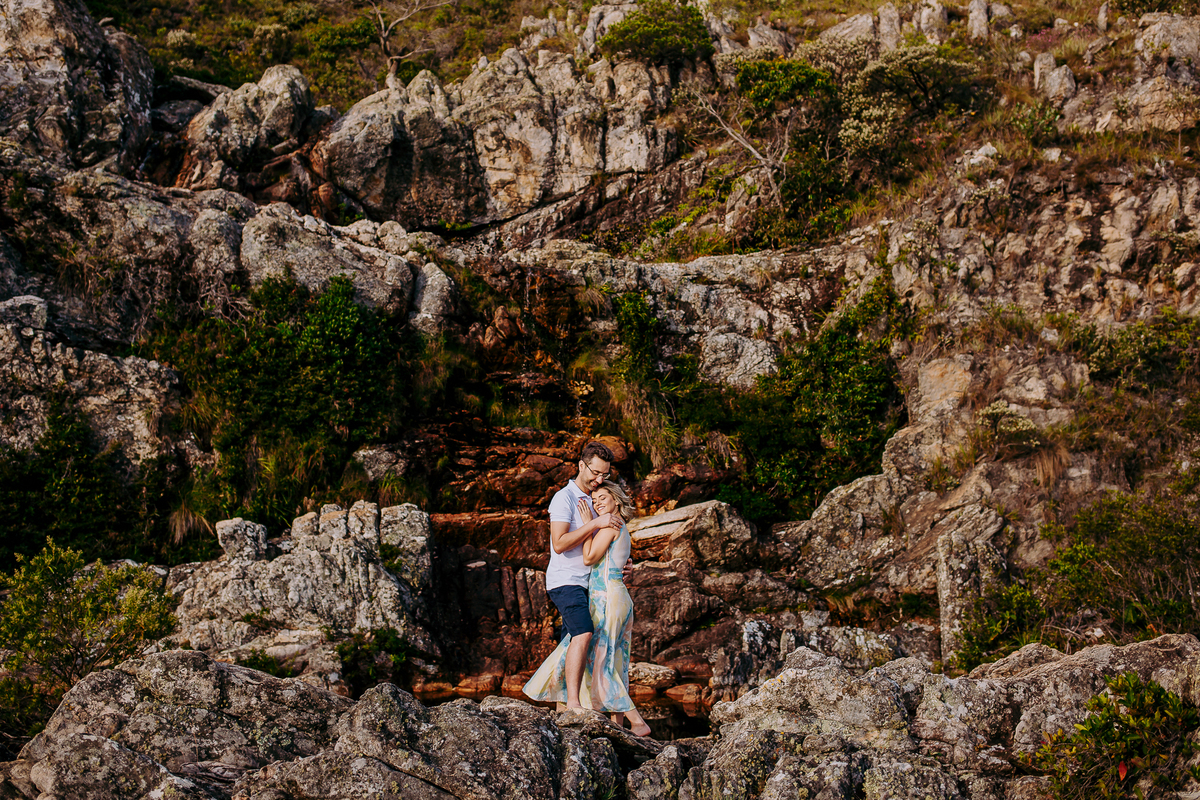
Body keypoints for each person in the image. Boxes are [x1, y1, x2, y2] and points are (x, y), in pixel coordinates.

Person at [526, 441, 619, 710]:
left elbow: (608, 539)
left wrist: (624, 565)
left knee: (569, 644)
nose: (599, 479)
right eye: (596, 473)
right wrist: (595, 523)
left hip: (591, 583)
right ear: (581, 465)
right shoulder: (563, 498)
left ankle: (561, 709)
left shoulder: (596, 498)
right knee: (583, 633)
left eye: (605, 475)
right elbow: (559, 542)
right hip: (566, 582)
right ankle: (575, 704)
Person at [578, 480, 651, 736]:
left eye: (602, 498)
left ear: (617, 501)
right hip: (619, 597)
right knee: (615, 661)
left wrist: (589, 526)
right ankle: (617, 727)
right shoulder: (621, 526)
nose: (597, 503)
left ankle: (638, 722)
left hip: (608, 598)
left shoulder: (610, 524)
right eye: (594, 499)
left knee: (603, 664)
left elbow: (588, 558)